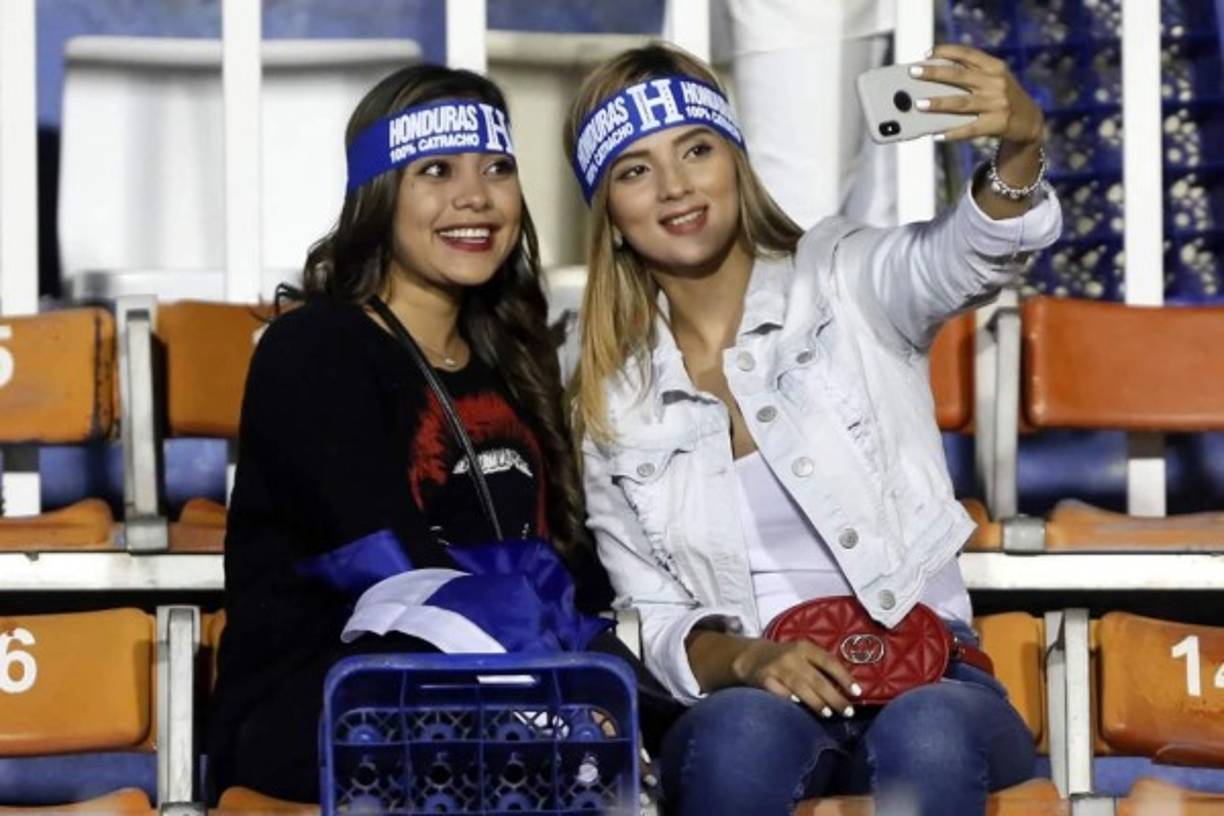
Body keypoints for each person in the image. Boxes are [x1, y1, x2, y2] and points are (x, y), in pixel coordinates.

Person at [565, 42, 1062, 815]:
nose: (674, 187)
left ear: (733, 162)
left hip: (933, 673)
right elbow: (654, 618)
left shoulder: (842, 275)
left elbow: (971, 254)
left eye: (695, 150)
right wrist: (750, 657)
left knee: (927, 731)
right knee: (735, 738)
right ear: (612, 216)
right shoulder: (611, 398)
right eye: (635, 170)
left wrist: (1021, 149)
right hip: (761, 693)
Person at [206, 63, 669, 803]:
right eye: (436, 170)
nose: (475, 197)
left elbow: (574, 575)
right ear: (379, 198)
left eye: (497, 168)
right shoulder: (315, 350)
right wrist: (560, 687)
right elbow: (384, 564)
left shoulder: (515, 363)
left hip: (502, 701)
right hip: (333, 705)